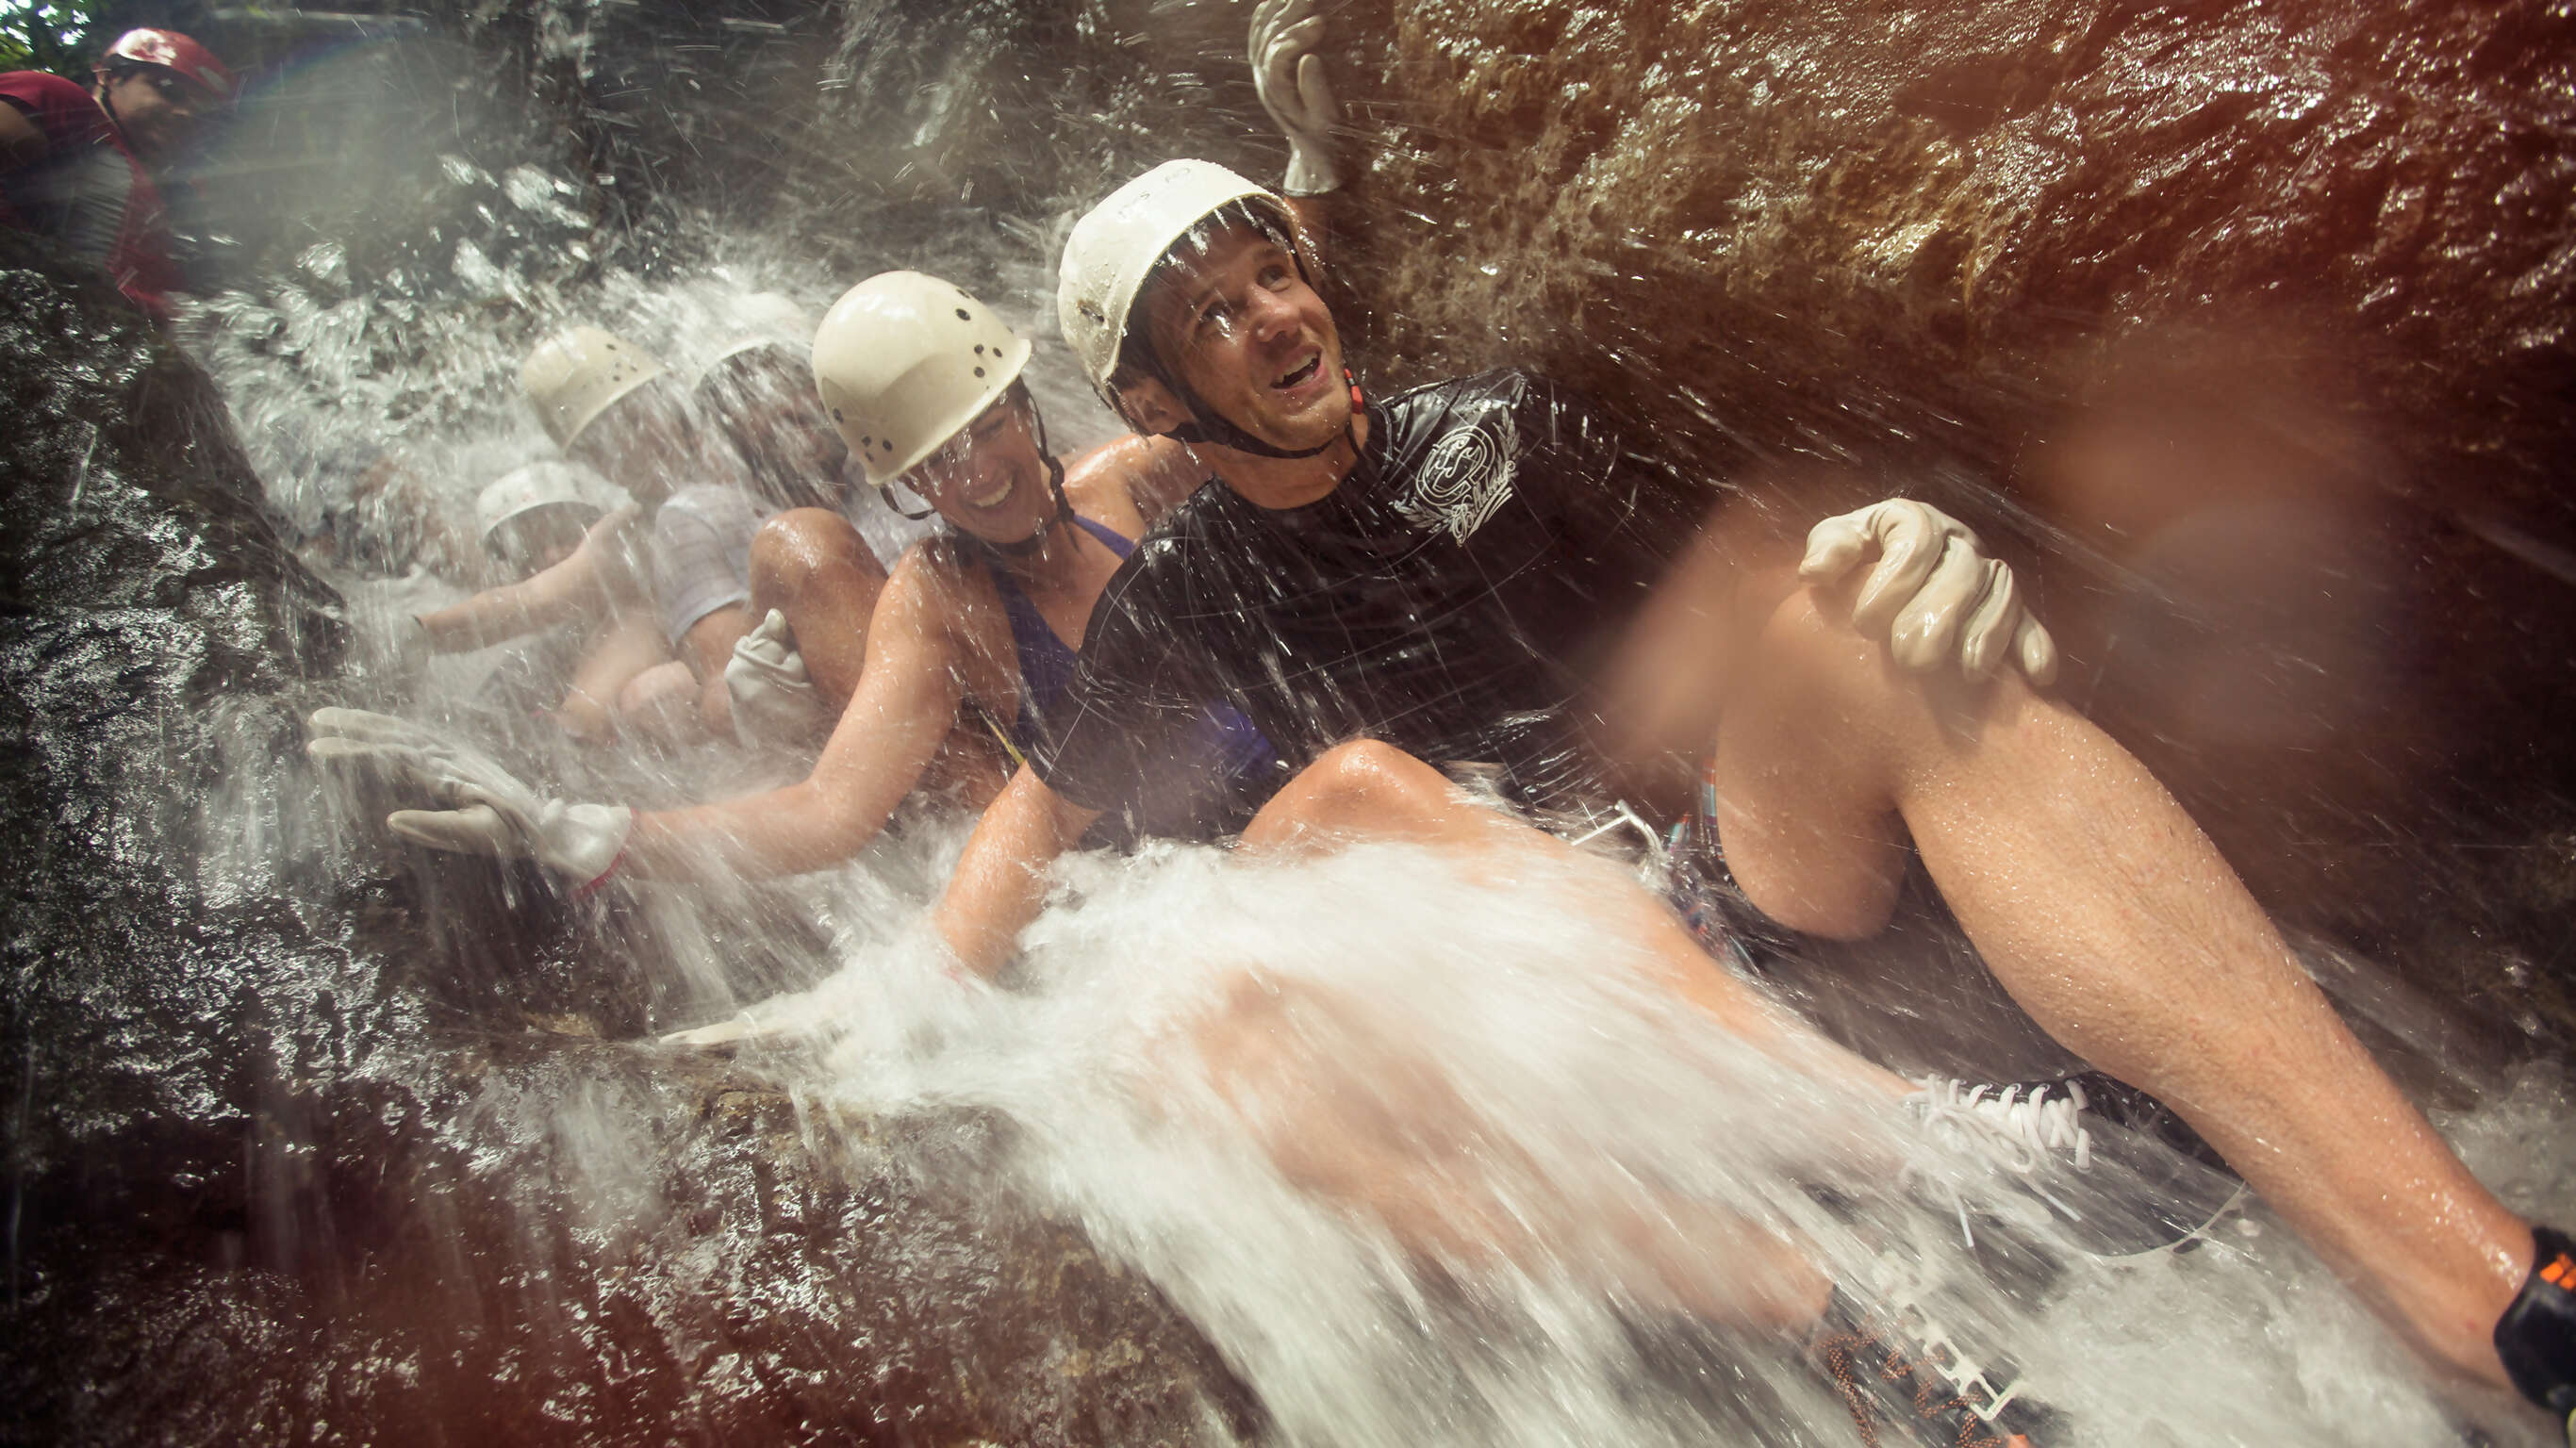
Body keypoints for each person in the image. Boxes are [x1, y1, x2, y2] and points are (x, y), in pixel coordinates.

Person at [913, 155, 2576, 1435]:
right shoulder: (1175, 608)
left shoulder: (1504, 427)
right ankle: (1842, 1296)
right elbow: (1054, 844)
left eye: (1279, 271)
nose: (1278, 313)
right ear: (1146, 405)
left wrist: (1892, 547)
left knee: (1862, 634)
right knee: (1246, 936)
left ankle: (2480, 1288)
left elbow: (1758, 580)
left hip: (1713, 889)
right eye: (1216, 312)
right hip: (1532, 1032)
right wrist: (914, 1041)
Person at [0, 27, 232, 323]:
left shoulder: (178, 196)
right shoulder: (67, 105)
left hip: (112, 347)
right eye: (169, 90)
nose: (186, 114)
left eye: (202, 112)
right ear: (110, 76)